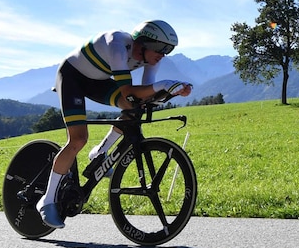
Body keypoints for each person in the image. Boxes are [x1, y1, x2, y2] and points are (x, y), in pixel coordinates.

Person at [37, 20, 193, 228]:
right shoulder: (117, 45)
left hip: (97, 81)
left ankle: (100, 152)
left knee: (134, 107)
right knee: (78, 139)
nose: (163, 54)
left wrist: (172, 91)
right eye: (161, 48)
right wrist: (165, 85)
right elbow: (129, 91)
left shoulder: (152, 58)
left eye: (168, 50)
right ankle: (46, 201)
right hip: (71, 76)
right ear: (144, 42)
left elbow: (145, 94)